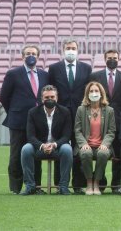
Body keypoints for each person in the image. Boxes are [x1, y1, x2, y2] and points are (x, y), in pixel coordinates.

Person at [0, 45, 48, 194]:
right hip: (18, 121)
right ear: (22, 57)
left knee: (36, 153)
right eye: (28, 54)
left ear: (38, 57)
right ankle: (16, 187)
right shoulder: (13, 74)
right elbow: (3, 97)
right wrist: (14, 111)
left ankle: (36, 186)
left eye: (33, 53)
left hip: (38, 121)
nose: (31, 56)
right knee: (16, 154)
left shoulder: (44, 75)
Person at [49, 38, 92, 194]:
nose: (71, 50)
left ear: (78, 49)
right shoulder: (54, 68)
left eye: (73, 48)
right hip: (60, 114)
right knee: (59, 145)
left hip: (80, 114)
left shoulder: (86, 68)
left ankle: (78, 184)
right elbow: (51, 90)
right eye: (68, 47)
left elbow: (88, 90)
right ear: (63, 49)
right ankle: (59, 183)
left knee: (79, 148)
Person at [89, 49, 121, 194]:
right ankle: (101, 181)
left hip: (119, 120)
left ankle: (116, 184)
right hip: (99, 120)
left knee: (117, 154)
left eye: (115, 58)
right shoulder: (95, 76)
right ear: (105, 59)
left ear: (119, 59)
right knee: (101, 151)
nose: (112, 60)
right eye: (110, 57)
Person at [20, 85, 73, 195]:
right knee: (26, 148)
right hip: (39, 148)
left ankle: (63, 187)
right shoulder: (33, 112)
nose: (50, 99)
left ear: (57, 98)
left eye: (52, 97)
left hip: (58, 148)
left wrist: (54, 145)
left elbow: (66, 136)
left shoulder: (65, 112)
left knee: (67, 149)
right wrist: (42, 146)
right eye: (47, 97)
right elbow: (30, 136)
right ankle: (30, 186)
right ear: (42, 99)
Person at [74, 82, 116, 195]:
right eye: (91, 91)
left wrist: (105, 144)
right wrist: (83, 144)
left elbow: (111, 131)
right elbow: (77, 130)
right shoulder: (81, 110)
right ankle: (89, 183)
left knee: (102, 154)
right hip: (86, 145)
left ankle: (96, 183)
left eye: (96, 91)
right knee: (86, 153)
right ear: (87, 94)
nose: (94, 93)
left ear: (101, 93)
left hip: (102, 145)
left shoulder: (109, 110)